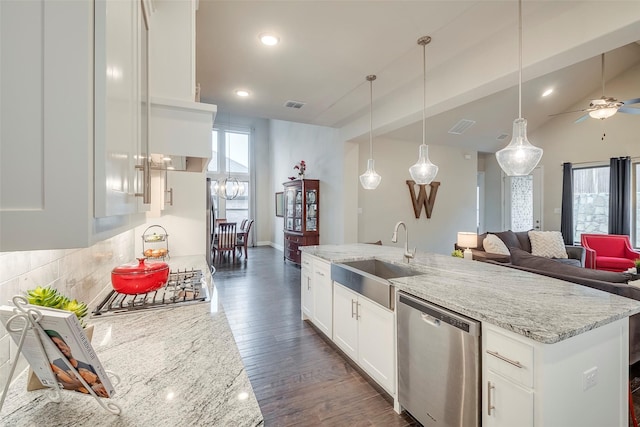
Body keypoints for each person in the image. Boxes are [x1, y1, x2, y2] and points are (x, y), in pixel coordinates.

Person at [44, 330, 108, 397]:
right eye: (56, 346)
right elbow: (60, 383)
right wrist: (76, 385)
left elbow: (100, 382)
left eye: (62, 344)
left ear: (68, 347)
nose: (60, 347)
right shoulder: (57, 363)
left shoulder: (88, 366)